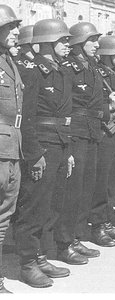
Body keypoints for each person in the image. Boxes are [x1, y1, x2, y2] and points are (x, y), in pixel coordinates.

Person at [14, 19, 73, 288]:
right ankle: (27, 263)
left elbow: (64, 114)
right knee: (33, 207)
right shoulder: (32, 71)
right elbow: (26, 117)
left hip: (59, 143)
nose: (67, 45)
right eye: (62, 41)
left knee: (49, 205)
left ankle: (39, 256)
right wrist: (34, 153)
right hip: (41, 145)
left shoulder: (60, 70)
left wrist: (68, 150)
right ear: (47, 43)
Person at [54, 22, 104, 262]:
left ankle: (76, 235)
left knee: (85, 187)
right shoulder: (69, 66)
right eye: (91, 40)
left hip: (91, 130)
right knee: (72, 190)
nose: (96, 44)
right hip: (75, 131)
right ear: (79, 43)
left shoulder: (91, 65)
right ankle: (64, 241)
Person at [89, 34, 115, 246]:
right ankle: (97, 225)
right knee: (102, 182)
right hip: (104, 133)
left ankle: (107, 221)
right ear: (108, 54)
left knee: (114, 181)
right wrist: (110, 108)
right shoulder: (98, 74)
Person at [0, 4, 22, 294]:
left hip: (12, 147)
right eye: (11, 28)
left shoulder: (8, 60)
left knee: (4, 216)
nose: (16, 32)